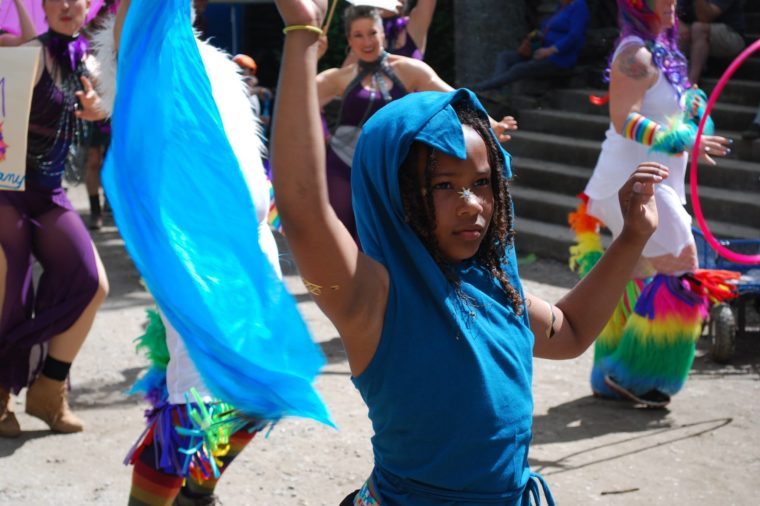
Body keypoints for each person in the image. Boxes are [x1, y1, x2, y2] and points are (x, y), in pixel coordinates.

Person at [272, 0, 669, 503]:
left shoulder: (495, 287)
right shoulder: (372, 302)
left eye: (482, 183)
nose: (472, 205)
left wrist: (632, 237)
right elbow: (303, 211)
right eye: (443, 185)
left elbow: (569, 333)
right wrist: (302, 32)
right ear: (392, 194)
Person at [96, 1, 328, 503]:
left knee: (259, 390)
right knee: (195, 404)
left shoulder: (209, 59)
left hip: (245, 249)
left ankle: (197, 490)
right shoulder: (145, 45)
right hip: (194, 259)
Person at [570, 0, 734, 408]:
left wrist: (694, 118)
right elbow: (624, 118)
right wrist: (683, 140)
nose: (672, 3)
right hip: (630, 183)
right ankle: (642, 377)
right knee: (683, 261)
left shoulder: (665, 52)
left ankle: (611, 373)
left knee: (638, 273)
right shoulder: (634, 54)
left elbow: (673, 119)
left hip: (650, 183)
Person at [0, 0, 109, 439]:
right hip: (6, 193)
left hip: (49, 194)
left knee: (92, 284)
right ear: (43, 6)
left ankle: (48, 390)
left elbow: (109, 107)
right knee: (8, 292)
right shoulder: (25, 52)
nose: (67, 5)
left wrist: (100, 109)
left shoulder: (89, 59)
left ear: (87, 6)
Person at [320, 5, 516, 243]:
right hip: (342, 163)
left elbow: (452, 97)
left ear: (383, 33)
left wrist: (492, 124)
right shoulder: (341, 76)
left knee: (384, 237)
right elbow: (299, 96)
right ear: (349, 40)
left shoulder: (407, 69)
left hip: (391, 166)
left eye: (372, 32)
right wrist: (311, 55)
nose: (367, 41)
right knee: (340, 234)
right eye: (358, 35)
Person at [472, 0, 590, 92]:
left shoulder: (579, 6)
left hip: (559, 58)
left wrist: (551, 50)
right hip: (541, 51)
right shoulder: (562, 6)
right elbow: (548, 27)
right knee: (505, 57)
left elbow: (575, 36)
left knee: (519, 68)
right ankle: (495, 87)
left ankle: (480, 88)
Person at [678, 0, 746, 85]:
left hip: (731, 36)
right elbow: (669, 12)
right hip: (694, 36)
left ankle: (691, 84)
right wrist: (678, 24)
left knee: (699, 29)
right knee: (671, 32)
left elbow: (704, 17)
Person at [83, 119, 110, 230]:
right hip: (92, 112)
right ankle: (95, 211)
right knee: (93, 162)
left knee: (111, 161)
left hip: (114, 113)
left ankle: (109, 199)